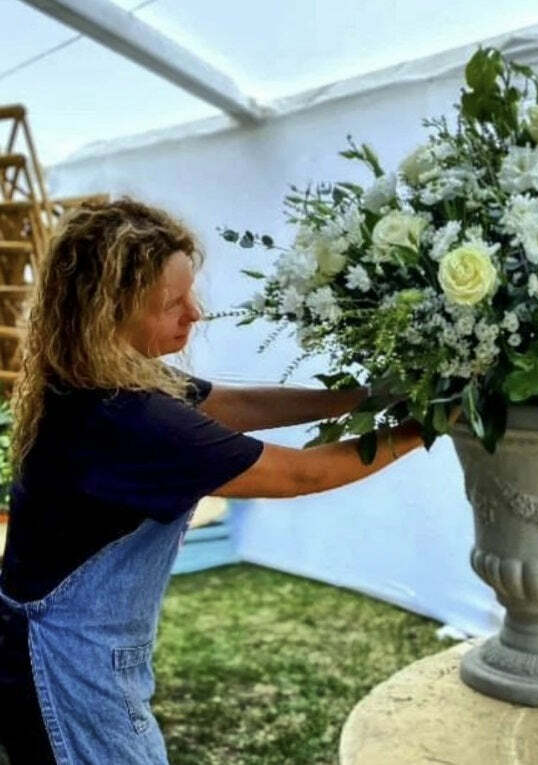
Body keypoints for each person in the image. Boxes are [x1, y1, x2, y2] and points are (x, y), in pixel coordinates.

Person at [0, 198, 456, 764]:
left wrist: (365, 398)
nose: (194, 314)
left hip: (63, 646)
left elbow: (233, 405)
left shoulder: (100, 373)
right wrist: (426, 425)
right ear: (108, 310)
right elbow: (304, 473)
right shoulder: (125, 418)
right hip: (66, 664)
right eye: (171, 303)